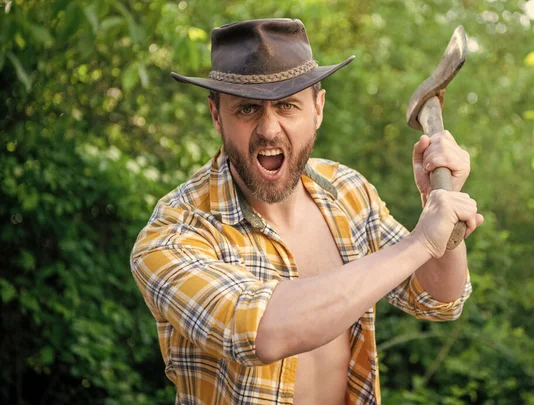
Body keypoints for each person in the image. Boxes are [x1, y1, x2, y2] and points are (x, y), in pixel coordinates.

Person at [130, 18, 484, 405]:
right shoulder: (173, 234)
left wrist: (439, 203)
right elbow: (262, 331)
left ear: (318, 108)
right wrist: (420, 241)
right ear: (216, 115)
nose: (269, 129)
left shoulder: (348, 192)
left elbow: (438, 299)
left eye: (287, 106)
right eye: (247, 109)